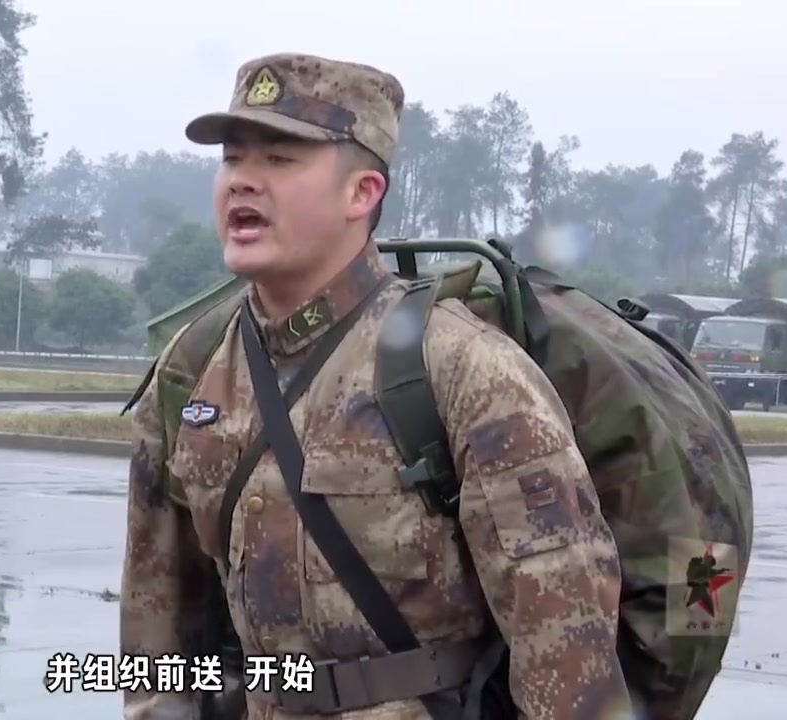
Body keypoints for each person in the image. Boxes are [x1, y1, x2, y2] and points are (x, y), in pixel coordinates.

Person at [119, 53, 634, 719]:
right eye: (233, 160)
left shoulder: (464, 370)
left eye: (279, 160)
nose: (243, 181)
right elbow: (155, 636)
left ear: (361, 193)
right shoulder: (192, 372)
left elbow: (567, 656)